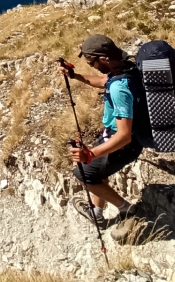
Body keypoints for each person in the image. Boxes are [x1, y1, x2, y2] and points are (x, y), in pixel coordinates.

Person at [60, 34, 144, 226]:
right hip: (111, 136)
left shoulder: (119, 89)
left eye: (91, 62)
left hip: (121, 143)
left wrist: (90, 154)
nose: (91, 65)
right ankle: (97, 212)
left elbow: (123, 136)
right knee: (98, 173)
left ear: (104, 58)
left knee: (84, 174)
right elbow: (104, 81)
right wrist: (75, 76)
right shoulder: (125, 67)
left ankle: (127, 209)